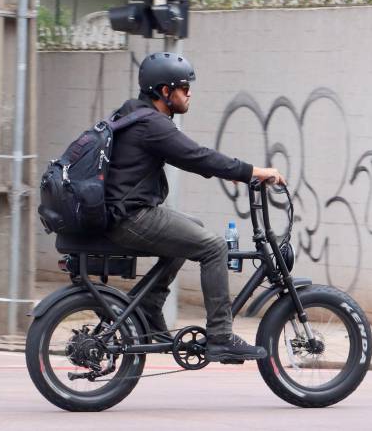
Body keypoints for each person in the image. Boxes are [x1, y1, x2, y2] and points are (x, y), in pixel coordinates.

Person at [104, 52, 286, 362]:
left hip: (121, 213)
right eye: (184, 88)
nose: (190, 94)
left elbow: (192, 157)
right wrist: (253, 171)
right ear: (165, 91)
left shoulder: (133, 115)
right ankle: (221, 336)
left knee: (194, 230)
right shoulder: (152, 124)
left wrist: (232, 172)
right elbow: (197, 156)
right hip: (130, 217)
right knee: (214, 247)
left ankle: (148, 305)